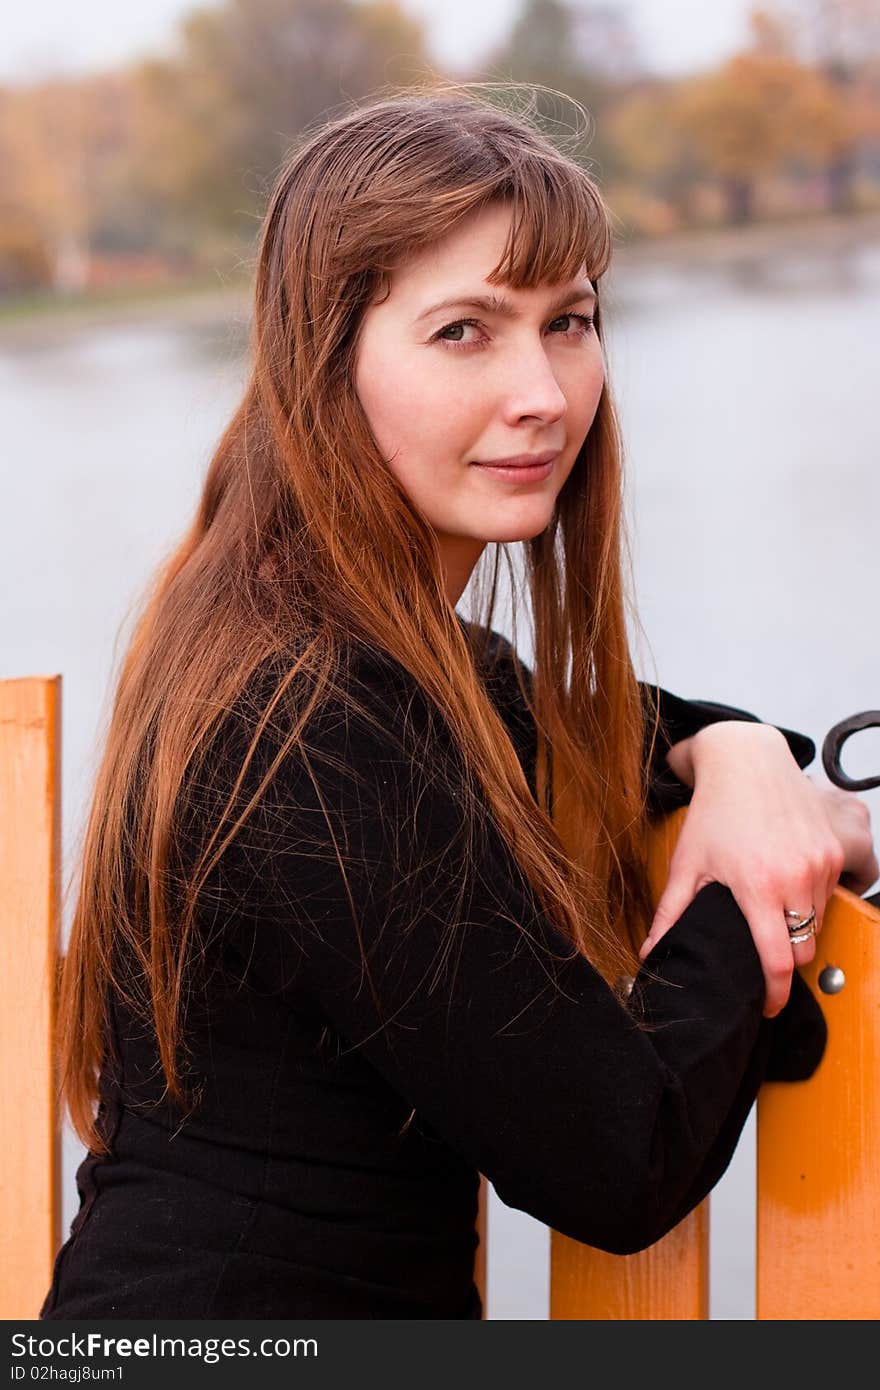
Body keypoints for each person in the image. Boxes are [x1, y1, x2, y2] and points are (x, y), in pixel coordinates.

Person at [41, 86, 878, 1321]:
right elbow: (620, 1149)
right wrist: (759, 896)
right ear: (327, 362)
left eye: (569, 321)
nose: (543, 391)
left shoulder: (329, 638)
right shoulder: (305, 724)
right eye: (463, 332)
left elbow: (601, 727)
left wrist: (746, 756)